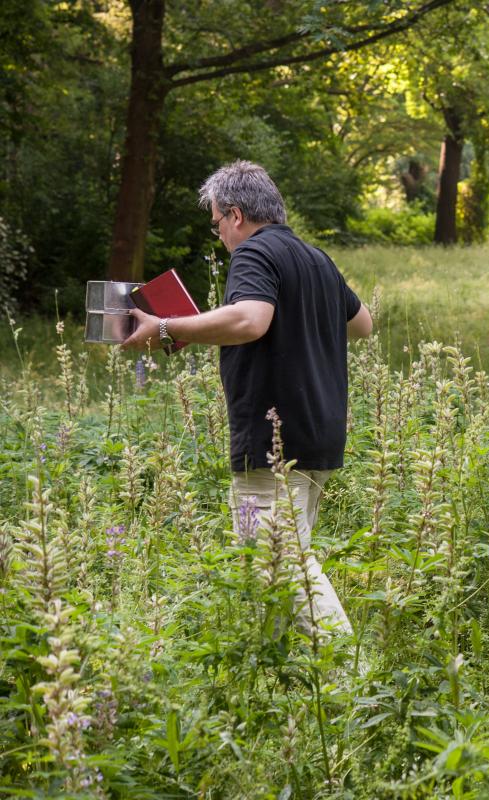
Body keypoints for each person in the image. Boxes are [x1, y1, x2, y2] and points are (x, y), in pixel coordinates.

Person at [123, 160, 372, 636]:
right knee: (275, 577)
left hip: (272, 444)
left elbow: (250, 320)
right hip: (319, 436)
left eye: (217, 225)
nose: (220, 235)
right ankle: (279, 690)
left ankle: (350, 673)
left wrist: (168, 328)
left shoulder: (254, 254)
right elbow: (362, 324)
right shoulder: (316, 258)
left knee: (277, 567)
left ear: (236, 215)